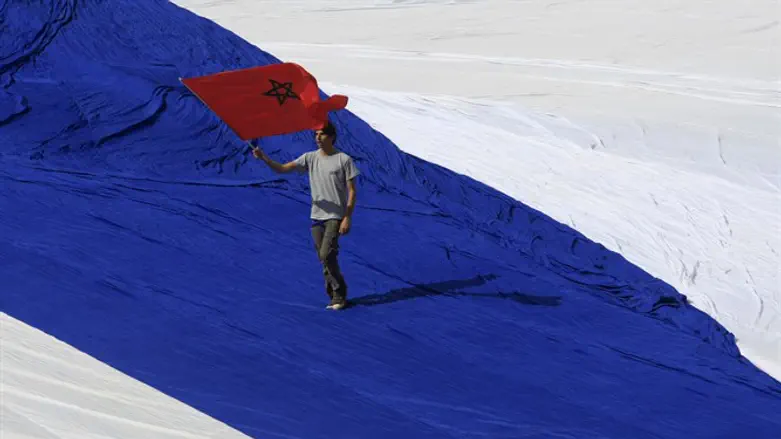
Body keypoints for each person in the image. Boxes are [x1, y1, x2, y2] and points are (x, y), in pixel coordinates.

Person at [250, 121, 359, 310]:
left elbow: (352, 191)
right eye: (316, 134)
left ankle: (340, 294)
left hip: (335, 215)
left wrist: (347, 217)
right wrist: (264, 158)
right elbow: (283, 168)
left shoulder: (343, 159)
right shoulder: (310, 158)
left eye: (321, 134)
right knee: (323, 258)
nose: (317, 137)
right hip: (316, 215)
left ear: (331, 137)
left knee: (327, 254)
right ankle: (334, 296)